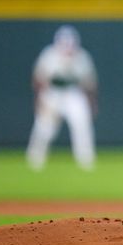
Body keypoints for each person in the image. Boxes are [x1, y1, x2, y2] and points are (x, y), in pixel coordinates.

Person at [26, 25, 98, 171]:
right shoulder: (49, 55)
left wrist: (92, 103)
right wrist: (40, 100)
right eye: (65, 44)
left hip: (73, 93)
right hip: (53, 92)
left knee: (81, 124)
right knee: (45, 127)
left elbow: (89, 83)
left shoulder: (82, 56)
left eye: (70, 44)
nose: (68, 48)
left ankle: (86, 159)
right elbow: (38, 79)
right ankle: (35, 158)